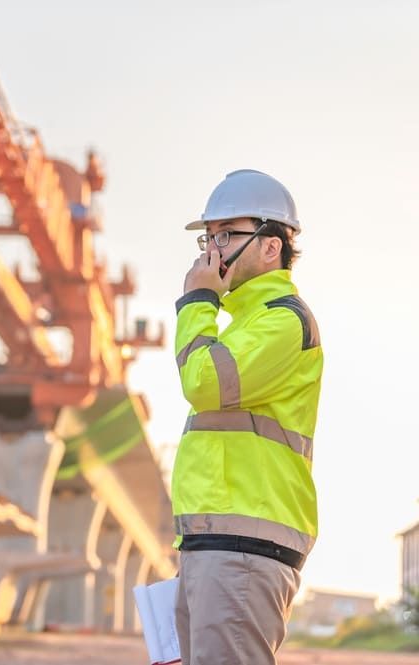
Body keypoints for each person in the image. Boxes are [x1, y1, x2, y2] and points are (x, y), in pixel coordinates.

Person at [172, 169, 323, 664]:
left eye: (225, 236)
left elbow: (203, 383)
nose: (210, 251)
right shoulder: (243, 324)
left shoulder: (283, 321)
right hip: (213, 542)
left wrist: (197, 302)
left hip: (244, 547)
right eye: (207, 237)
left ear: (270, 246)